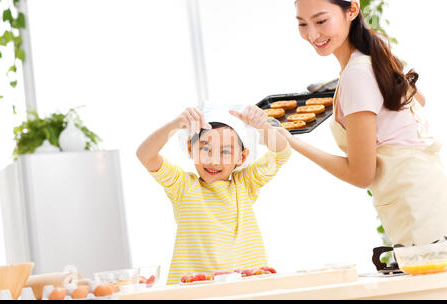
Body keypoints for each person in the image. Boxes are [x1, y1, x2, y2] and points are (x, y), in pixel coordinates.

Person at [278, 0, 447, 247]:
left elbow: (360, 175)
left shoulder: (357, 74)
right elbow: (418, 98)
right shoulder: (368, 59)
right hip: (426, 190)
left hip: (416, 205)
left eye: (321, 21)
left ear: (352, 10)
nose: (312, 34)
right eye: (302, 24)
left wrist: (291, 142)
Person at [136, 103, 291, 284]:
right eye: (205, 148)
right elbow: (145, 155)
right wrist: (174, 125)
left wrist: (263, 126)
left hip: (248, 289)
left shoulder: (245, 183)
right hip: (195, 294)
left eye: (225, 151)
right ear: (190, 148)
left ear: (241, 157)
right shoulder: (182, 186)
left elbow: (282, 153)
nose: (214, 160)